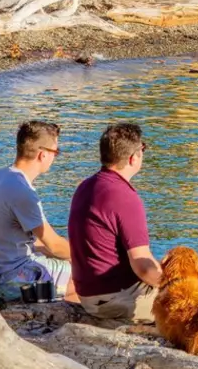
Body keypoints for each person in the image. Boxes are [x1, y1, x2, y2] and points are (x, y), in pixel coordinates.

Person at [69, 122, 163, 322]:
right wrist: (172, 283)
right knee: (189, 304)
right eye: (142, 149)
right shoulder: (124, 197)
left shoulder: (86, 186)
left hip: (88, 294)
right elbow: (143, 267)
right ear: (133, 157)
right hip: (115, 299)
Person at [0, 120, 75, 302]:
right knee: (88, 277)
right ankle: (64, 325)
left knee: (68, 262)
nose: (55, 157)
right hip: (10, 280)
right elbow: (54, 245)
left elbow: (34, 243)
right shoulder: (23, 191)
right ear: (43, 155)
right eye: (56, 152)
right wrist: (93, 255)